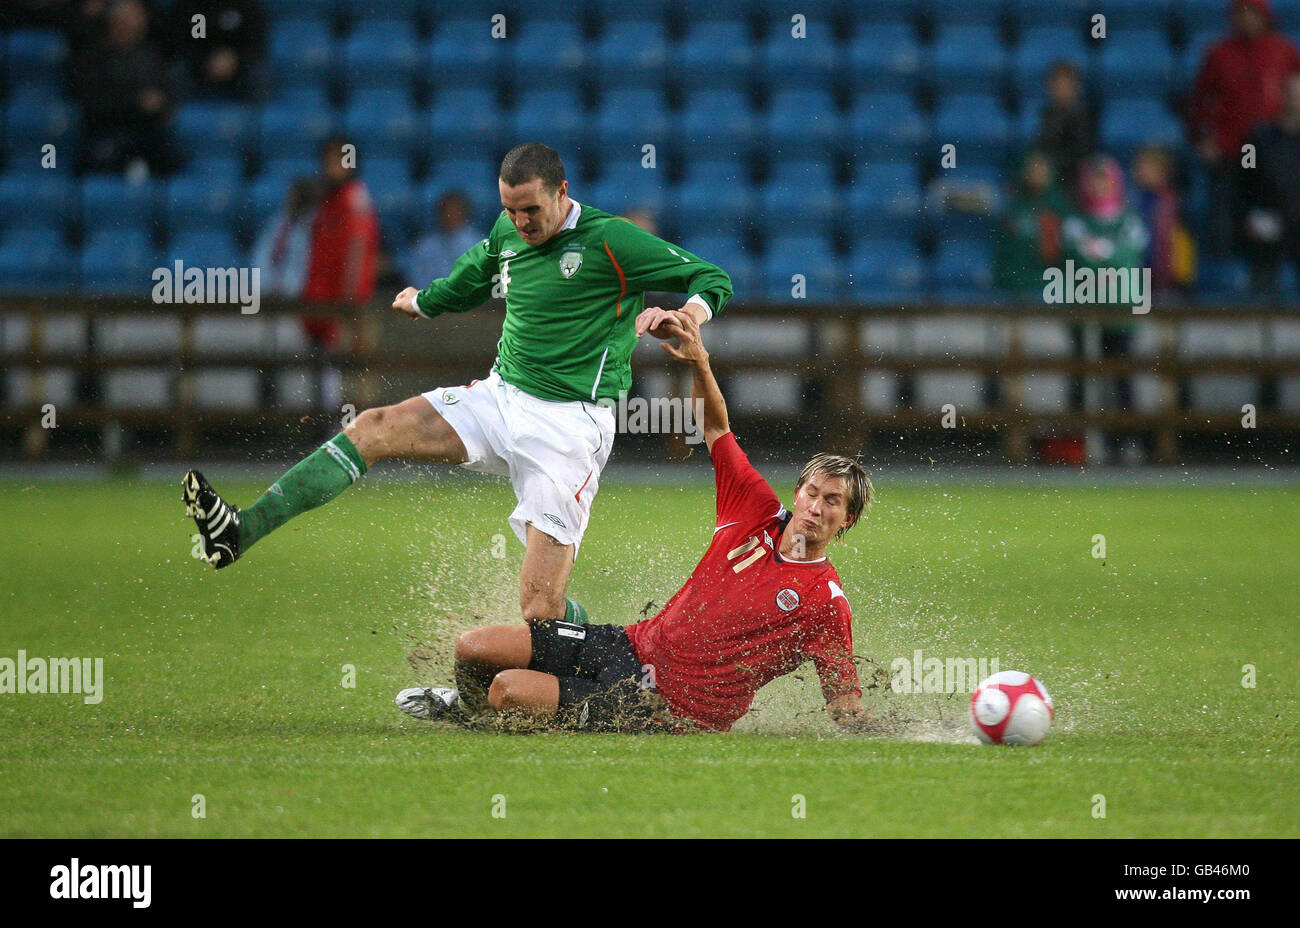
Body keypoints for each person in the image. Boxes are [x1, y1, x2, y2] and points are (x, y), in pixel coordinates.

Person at [183, 142, 733, 634]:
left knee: (539, 610)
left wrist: (687, 313)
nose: (519, 222)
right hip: (500, 398)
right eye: (510, 209)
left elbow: (713, 277)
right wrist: (426, 301)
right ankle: (241, 530)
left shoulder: (613, 241)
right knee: (372, 426)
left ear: (563, 193)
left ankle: (614, 645)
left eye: (532, 210)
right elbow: (474, 274)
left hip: (571, 427)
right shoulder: (507, 229)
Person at [394, 312, 873, 734]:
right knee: (474, 647)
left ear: (846, 519)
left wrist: (892, 731)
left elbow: (843, 698)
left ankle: (495, 709)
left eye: (831, 502)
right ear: (798, 492)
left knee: (508, 691)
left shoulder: (826, 603)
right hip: (633, 644)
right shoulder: (755, 509)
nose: (815, 507)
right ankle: (475, 710)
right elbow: (716, 429)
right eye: (812, 492)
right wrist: (700, 362)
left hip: (666, 706)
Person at [1188, 0, 1300, 257]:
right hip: (1230, 150)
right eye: (1241, 13)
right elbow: (1201, 102)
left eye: (1253, 13)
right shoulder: (1219, 53)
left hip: (1275, 152)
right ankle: (1225, 284)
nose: (1247, 19)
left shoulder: (1284, 50)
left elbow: (1296, 91)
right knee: (1225, 217)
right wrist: (1202, 140)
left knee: (1279, 215)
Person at [72, 0, 178, 176]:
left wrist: (161, 103)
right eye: (133, 16)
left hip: (146, 132)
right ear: (116, 21)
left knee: (170, 159)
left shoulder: (150, 55)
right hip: (107, 132)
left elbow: (166, 90)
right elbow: (92, 100)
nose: (141, 20)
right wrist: (136, 102)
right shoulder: (94, 56)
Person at [1240, 72, 1300, 293]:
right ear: (1282, 95)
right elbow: (1243, 178)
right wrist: (1251, 214)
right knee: (1260, 290)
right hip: (1267, 227)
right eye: (1292, 94)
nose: (1296, 100)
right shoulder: (1257, 139)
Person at [995, 150, 1067, 297]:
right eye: (1033, 169)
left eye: (1041, 170)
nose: (1036, 174)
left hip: (1045, 284)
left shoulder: (1058, 206)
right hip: (1012, 282)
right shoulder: (1014, 204)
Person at [164, 0, 266, 100]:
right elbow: (180, 42)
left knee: (261, 75)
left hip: (239, 66)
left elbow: (256, 41)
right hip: (197, 66)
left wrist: (235, 59)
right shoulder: (189, 4)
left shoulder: (246, 4)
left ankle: (255, 115)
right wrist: (205, 60)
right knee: (176, 74)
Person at [1035, 60, 1095, 191]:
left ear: (1076, 87)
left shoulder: (1083, 119)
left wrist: (1052, 165)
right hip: (1043, 181)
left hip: (1072, 183)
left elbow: (1083, 155)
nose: (1061, 89)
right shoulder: (1044, 115)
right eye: (1057, 84)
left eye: (1066, 85)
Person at [405, 190, 481, 283]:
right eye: (446, 212)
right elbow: (416, 276)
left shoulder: (477, 244)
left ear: (464, 213)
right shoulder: (425, 245)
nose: (449, 216)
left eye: (454, 212)